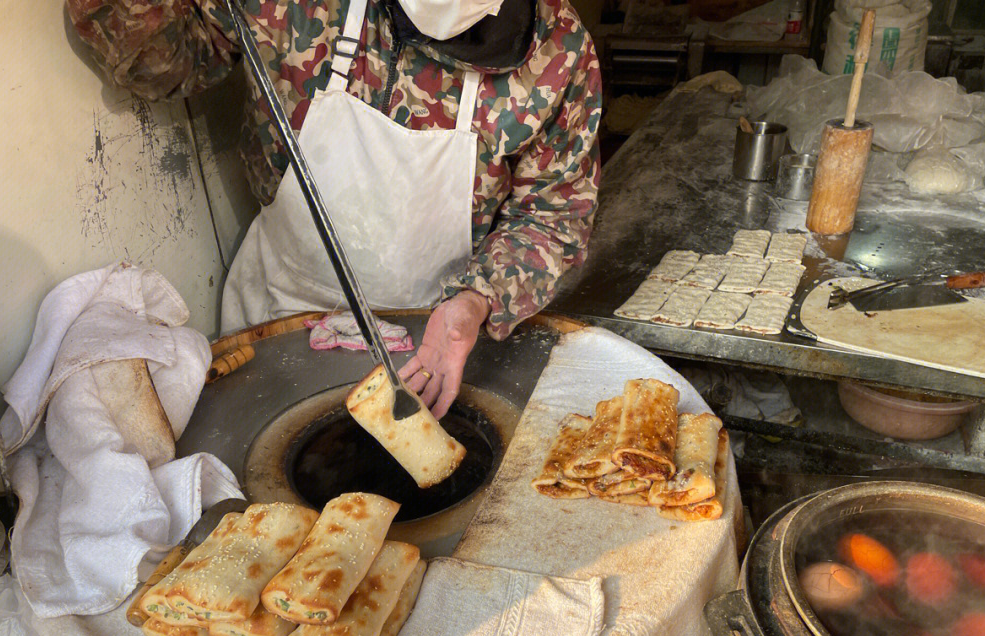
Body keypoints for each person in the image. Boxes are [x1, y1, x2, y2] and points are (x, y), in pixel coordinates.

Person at [68, 0, 601, 418]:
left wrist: (477, 302)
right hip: (277, 325)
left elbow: (554, 215)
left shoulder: (558, 50)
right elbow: (162, 63)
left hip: (436, 346)